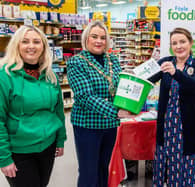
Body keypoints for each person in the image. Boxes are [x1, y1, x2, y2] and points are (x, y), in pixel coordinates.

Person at [67, 21, 132, 187]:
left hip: (109, 125)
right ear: (86, 39)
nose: (99, 41)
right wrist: (115, 111)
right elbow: (84, 96)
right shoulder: (77, 62)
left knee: (104, 168)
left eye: (103, 38)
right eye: (94, 36)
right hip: (87, 125)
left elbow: (119, 87)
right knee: (89, 172)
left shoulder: (112, 59)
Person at [0, 25, 67, 187]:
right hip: (20, 150)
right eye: (25, 41)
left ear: (43, 46)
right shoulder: (5, 76)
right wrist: (4, 158)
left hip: (48, 147)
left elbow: (58, 111)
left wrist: (60, 140)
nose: (31, 46)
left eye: (37, 42)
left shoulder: (50, 76)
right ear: (17, 45)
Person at [149, 27, 195, 187]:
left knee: (185, 165)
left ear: (190, 43)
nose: (178, 46)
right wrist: (148, 65)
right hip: (167, 126)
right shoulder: (166, 62)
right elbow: (146, 79)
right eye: (174, 43)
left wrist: (176, 73)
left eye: (182, 42)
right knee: (164, 164)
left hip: (187, 127)